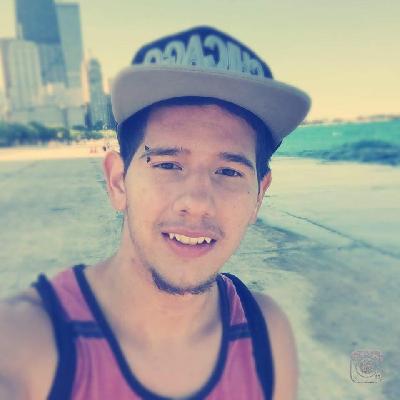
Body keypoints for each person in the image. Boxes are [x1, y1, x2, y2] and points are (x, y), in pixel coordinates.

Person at [0, 26, 310, 400]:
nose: (197, 201)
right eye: (167, 164)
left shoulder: (266, 336)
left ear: (259, 196)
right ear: (118, 182)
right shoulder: (27, 343)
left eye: (228, 172)